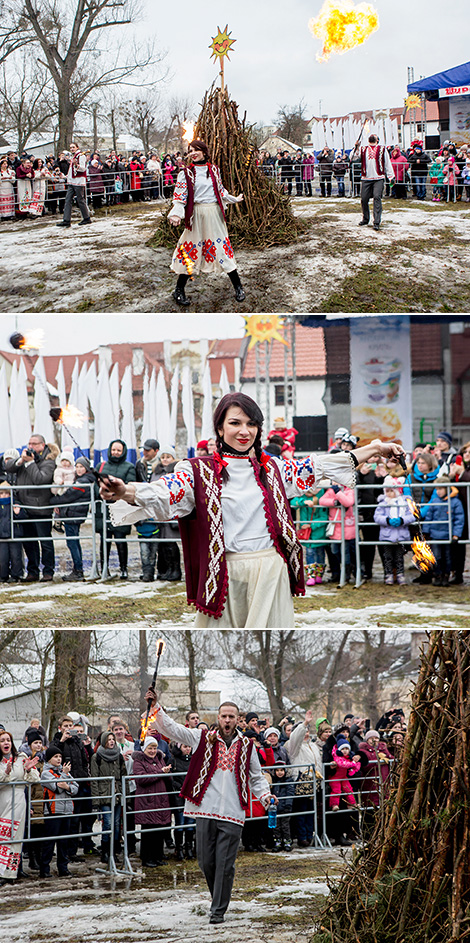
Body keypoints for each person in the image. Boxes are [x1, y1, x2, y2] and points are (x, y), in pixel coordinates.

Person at [100, 392, 405, 628]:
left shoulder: (274, 468)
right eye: (235, 423)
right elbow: (164, 492)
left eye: (251, 423)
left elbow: (322, 466)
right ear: (220, 427)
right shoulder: (196, 470)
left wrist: (376, 448)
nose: (244, 431)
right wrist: (125, 491)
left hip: (270, 570)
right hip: (224, 573)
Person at [148, 697, 273, 924]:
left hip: (234, 812)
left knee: (225, 864)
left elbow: (256, 776)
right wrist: (156, 708)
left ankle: (218, 910)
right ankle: (219, 896)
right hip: (204, 809)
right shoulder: (201, 737)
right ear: (218, 718)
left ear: (238, 720)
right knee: (206, 862)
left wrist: (265, 797)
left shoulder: (247, 745)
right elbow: (173, 729)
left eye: (231, 716)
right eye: (223, 716)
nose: (227, 720)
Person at [168, 139, 245, 306]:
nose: (193, 153)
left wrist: (233, 199)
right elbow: (180, 195)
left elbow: (220, 190)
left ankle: (238, 287)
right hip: (196, 215)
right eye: (190, 151)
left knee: (222, 249)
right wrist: (176, 214)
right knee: (191, 252)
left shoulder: (214, 170)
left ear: (204, 151)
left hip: (214, 214)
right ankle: (178, 290)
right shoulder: (186, 173)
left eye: (196, 150)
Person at [8, 434, 58, 582]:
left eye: (35, 444)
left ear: (42, 445)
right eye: (29, 443)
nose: (31, 446)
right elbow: (8, 467)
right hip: (24, 507)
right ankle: (33, 571)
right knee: (29, 542)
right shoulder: (26, 458)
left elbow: (40, 479)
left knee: (45, 542)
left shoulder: (48, 461)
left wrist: (30, 464)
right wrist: (21, 460)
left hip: (40, 508)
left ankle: (48, 571)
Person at [0, 730, 40, 885]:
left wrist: (29, 769)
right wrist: (6, 773)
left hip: (17, 801)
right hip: (2, 800)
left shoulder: (21, 758)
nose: (6, 743)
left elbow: (35, 779)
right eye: (2, 740)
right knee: (2, 837)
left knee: (14, 838)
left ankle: (10, 874)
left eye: (8, 740)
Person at [95, 439, 136, 579]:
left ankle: (123, 568)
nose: (115, 453)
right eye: (113, 450)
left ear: (123, 451)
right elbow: (95, 486)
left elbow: (129, 484)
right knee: (104, 540)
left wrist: (116, 493)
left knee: (120, 539)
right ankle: (104, 568)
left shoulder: (129, 467)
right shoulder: (101, 466)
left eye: (118, 450)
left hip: (120, 508)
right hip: (104, 510)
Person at [50, 457, 94, 581]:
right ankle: (77, 569)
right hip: (72, 513)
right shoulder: (81, 479)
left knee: (72, 543)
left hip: (73, 515)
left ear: (86, 468)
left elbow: (69, 496)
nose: (79, 469)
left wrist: (53, 501)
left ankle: (78, 570)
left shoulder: (83, 481)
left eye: (82, 467)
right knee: (74, 542)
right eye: (78, 467)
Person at [132, 736, 172, 868]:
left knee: (159, 829)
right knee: (148, 830)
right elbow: (141, 779)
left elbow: (163, 774)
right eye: (150, 748)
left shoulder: (159, 759)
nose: (153, 751)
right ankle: (147, 857)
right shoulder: (138, 761)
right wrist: (160, 772)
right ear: (144, 748)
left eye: (155, 748)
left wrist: (166, 772)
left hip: (160, 799)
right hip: (147, 800)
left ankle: (158, 856)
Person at [40, 744, 78, 877]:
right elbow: (56, 787)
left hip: (67, 810)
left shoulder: (63, 772)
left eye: (60, 756)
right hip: (53, 811)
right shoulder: (46, 773)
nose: (59, 759)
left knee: (64, 842)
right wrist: (65, 777)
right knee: (49, 842)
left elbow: (75, 787)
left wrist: (67, 786)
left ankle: (63, 868)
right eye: (55, 756)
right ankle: (44, 869)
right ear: (49, 759)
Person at [421, 476, 465, 586]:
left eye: (441, 489)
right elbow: (429, 517)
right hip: (436, 535)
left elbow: (459, 519)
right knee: (436, 556)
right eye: (437, 489)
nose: (438, 491)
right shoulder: (435, 501)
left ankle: (446, 576)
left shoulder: (455, 502)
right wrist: (426, 532)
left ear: (447, 488)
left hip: (448, 535)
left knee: (448, 557)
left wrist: (456, 534)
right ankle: (437, 575)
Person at [91, 732, 126, 864]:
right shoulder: (97, 757)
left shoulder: (119, 755)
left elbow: (124, 777)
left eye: (113, 739)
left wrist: (125, 797)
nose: (111, 741)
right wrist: (96, 801)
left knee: (117, 824)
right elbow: (94, 779)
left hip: (117, 793)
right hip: (104, 794)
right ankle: (105, 851)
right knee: (108, 823)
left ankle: (113, 851)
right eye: (109, 739)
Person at [374, 476, 415, 585]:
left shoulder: (405, 503)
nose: (388, 493)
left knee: (399, 557)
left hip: (401, 535)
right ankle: (389, 574)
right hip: (386, 536)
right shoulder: (383, 503)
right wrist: (387, 520)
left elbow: (412, 515)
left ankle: (400, 574)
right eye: (386, 491)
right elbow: (377, 517)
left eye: (391, 491)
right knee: (388, 557)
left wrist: (402, 520)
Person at [350, 133, 395, 231]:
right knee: (364, 199)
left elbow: (387, 163)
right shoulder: (363, 149)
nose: (372, 136)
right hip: (366, 178)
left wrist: (391, 176)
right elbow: (353, 157)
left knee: (377, 197)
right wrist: (356, 147)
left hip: (379, 178)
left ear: (377, 140)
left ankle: (376, 222)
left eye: (374, 136)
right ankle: (365, 218)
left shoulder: (382, 149)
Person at [57, 142, 91, 227]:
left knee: (80, 200)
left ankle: (86, 218)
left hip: (79, 181)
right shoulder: (74, 157)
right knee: (68, 200)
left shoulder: (81, 156)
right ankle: (66, 220)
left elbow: (83, 168)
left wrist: (77, 165)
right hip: (72, 182)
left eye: (73, 147)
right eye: (70, 147)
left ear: (77, 147)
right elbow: (71, 170)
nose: (72, 149)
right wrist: (65, 177)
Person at [0, 481, 25, 582]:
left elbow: (24, 517)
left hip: (15, 533)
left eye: (6, 493)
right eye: (1, 494)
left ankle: (16, 575)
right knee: (2, 558)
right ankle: (3, 575)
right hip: (1, 535)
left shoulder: (15, 504)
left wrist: (18, 514)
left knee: (16, 556)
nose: (4, 496)